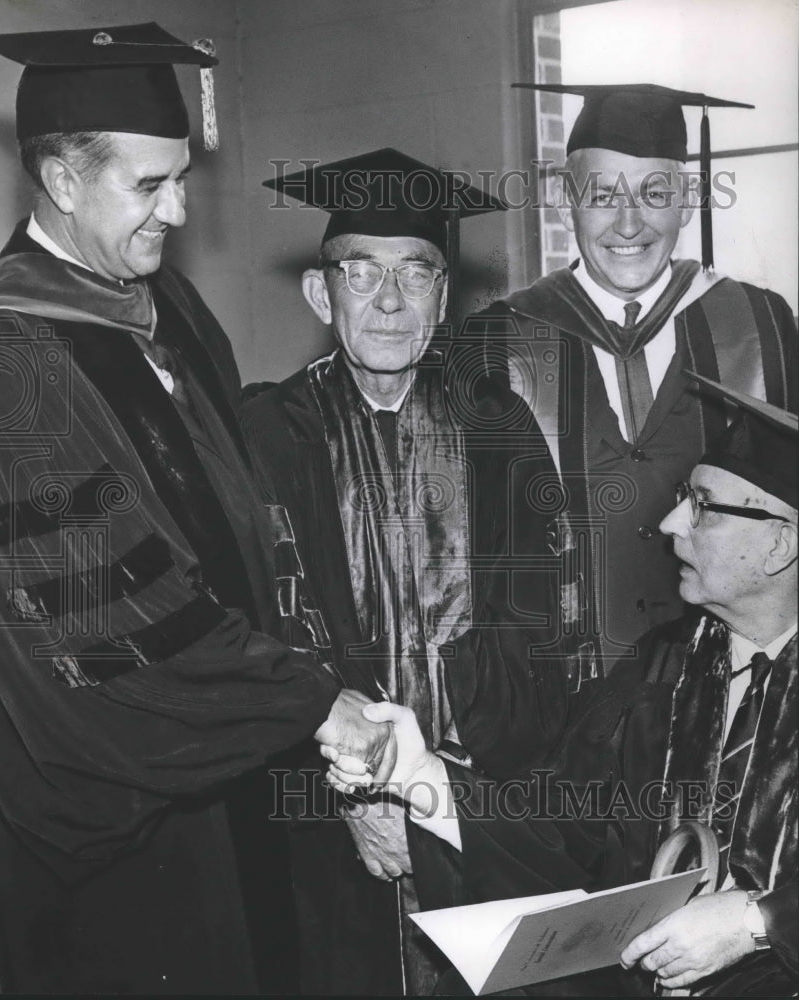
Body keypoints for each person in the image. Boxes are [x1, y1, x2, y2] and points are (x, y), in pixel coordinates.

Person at [0, 23, 389, 995]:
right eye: (148, 184)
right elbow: (103, 624)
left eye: (182, 178)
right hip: (130, 829)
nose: (178, 207)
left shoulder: (169, 311)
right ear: (63, 180)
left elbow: (244, 537)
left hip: (237, 774)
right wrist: (306, 703)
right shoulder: (12, 367)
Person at [327, 376, 797, 996]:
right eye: (684, 495)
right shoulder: (661, 667)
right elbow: (560, 827)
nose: (668, 521)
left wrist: (756, 921)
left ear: (780, 545)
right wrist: (421, 779)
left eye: (702, 506)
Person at [242, 148, 568, 995]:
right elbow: (257, 640)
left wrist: (444, 797)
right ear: (321, 294)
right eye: (362, 271)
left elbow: (540, 636)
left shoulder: (500, 429)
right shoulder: (263, 436)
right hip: (318, 809)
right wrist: (355, 797)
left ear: (444, 296)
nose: (389, 300)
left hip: (478, 800)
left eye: (415, 274)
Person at [469, 83, 797, 674]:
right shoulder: (498, 340)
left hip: (723, 683)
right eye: (601, 195)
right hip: (550, 695)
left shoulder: (762, 324)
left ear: (688, 200)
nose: (628, 223)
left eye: (654, 192)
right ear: (567, 201)